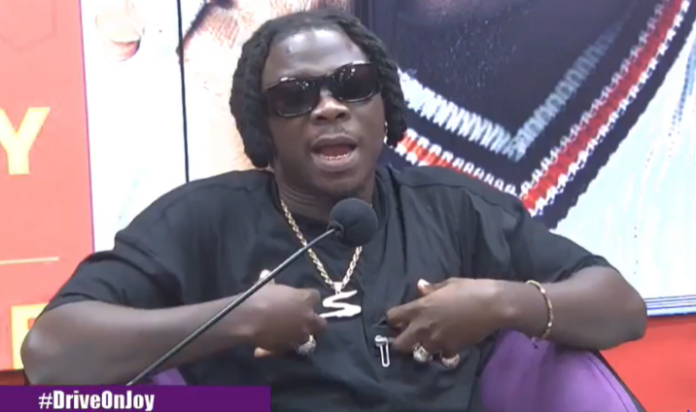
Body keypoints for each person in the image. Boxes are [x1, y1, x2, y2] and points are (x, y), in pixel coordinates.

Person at [22, 9, 647, 412]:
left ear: (384, 108)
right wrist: (237, 319)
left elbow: (621, 307)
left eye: (352, 86)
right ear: (263, 127)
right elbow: (51, 352)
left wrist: (497, 303)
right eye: (295, 96)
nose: (329, 107)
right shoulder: (202, 219)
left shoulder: (454, 208)